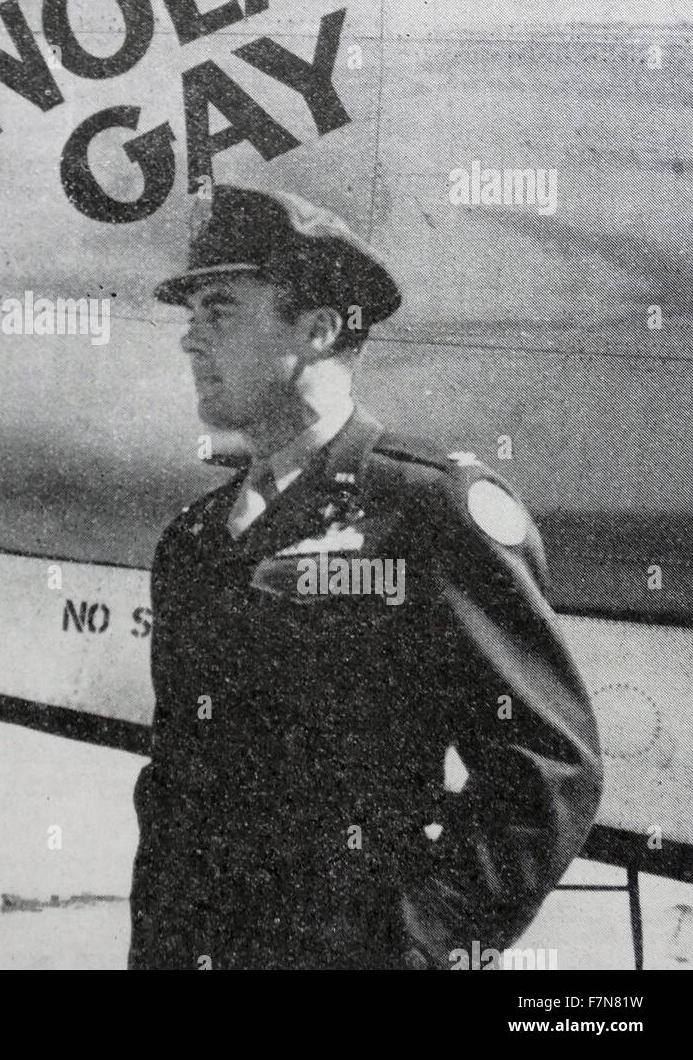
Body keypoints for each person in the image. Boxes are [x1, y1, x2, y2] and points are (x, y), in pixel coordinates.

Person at [128, 184, 603, 970]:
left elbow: (546, 764)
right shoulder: (194, 540)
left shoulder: (427, 507)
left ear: (316, 330)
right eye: (190, 318)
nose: (189, 341)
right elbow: (174, 789)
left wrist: (419, 944)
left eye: (219, 311)